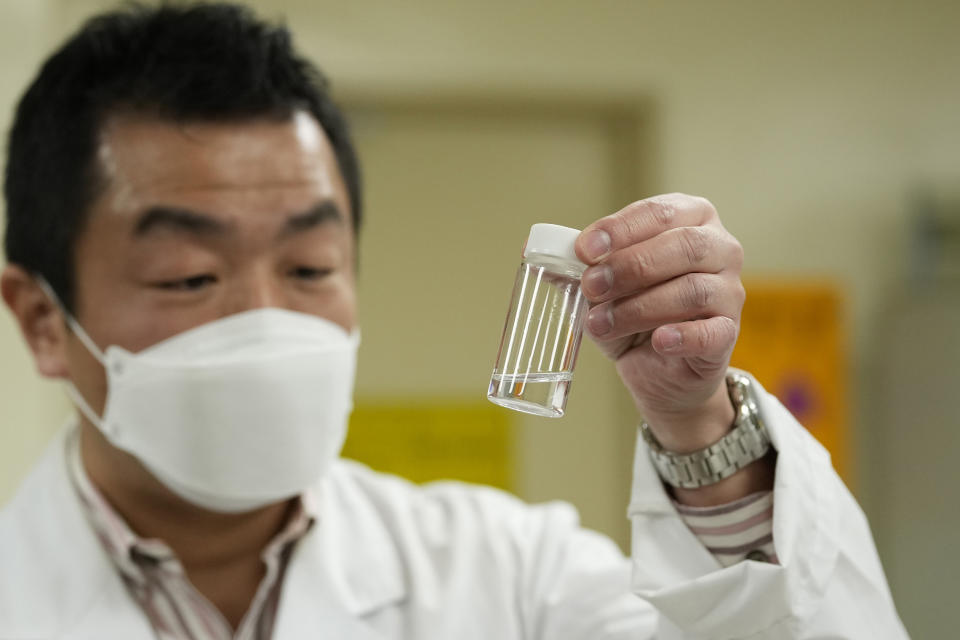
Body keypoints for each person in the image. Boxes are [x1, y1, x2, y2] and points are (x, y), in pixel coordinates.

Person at [0, 3, 907, 639]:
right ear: (43, 318)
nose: (266, 319)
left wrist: (697, 426)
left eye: (311, 267)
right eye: (189, 276)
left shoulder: (510, 575)